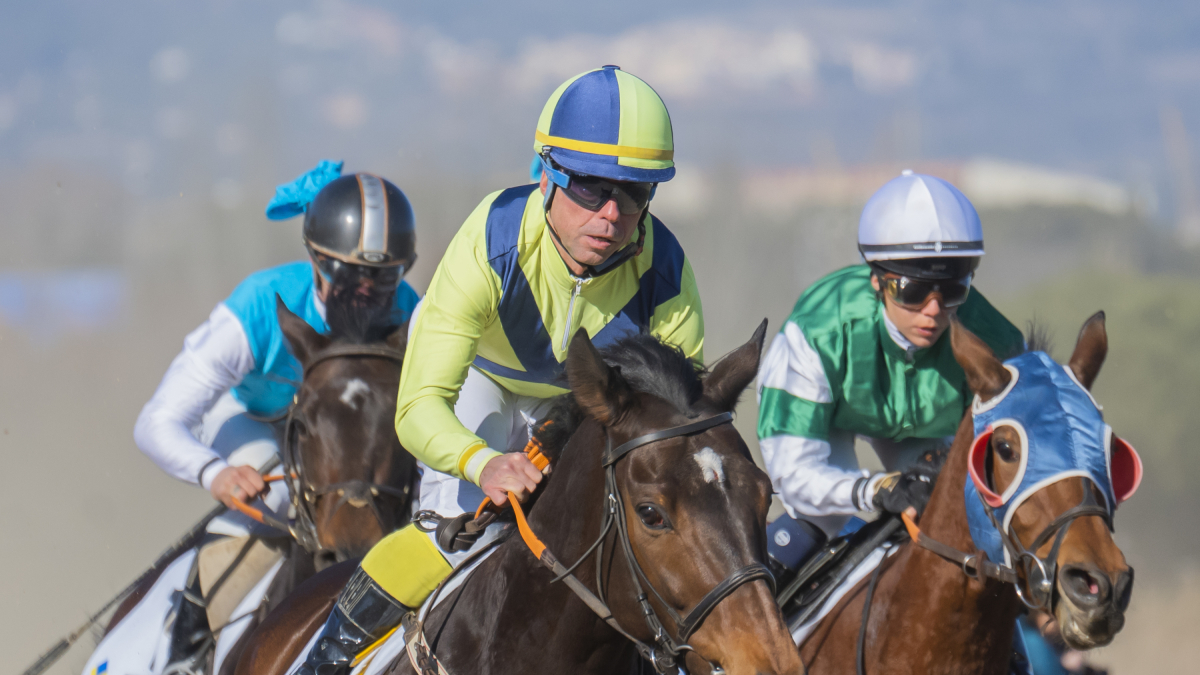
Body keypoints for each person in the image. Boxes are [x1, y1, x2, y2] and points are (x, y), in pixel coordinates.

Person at [296, 65, 705, 675]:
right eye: (591, 187)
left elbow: (680, 430)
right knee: (453, 533)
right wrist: (481, 462)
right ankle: (326, 660)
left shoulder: (666, 270)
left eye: (635, 192)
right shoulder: (492, 241)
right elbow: (418, 407)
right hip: (483, 388)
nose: (613, 214)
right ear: (546, 175)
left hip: (586, 408)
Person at [133, 161, 420, 673]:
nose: (368, 296)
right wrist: (214, 473)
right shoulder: (259, 307)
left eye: (384, 279)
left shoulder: (410, 310)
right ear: (315, 261)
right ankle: (189, 646)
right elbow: (157, 421)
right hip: (255, 420)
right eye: (350, 275)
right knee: (281, 485)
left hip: (350, 439)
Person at [756, 170, 1025, 575]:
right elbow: (796, 476)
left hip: (923, 431)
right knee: (821, 519)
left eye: (952, 290)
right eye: (913, 291)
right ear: (877, 282)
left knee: (958, 515)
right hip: (828, 421)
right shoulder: (817, 333)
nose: (933, 310)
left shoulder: (995, 343)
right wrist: (873, 489)